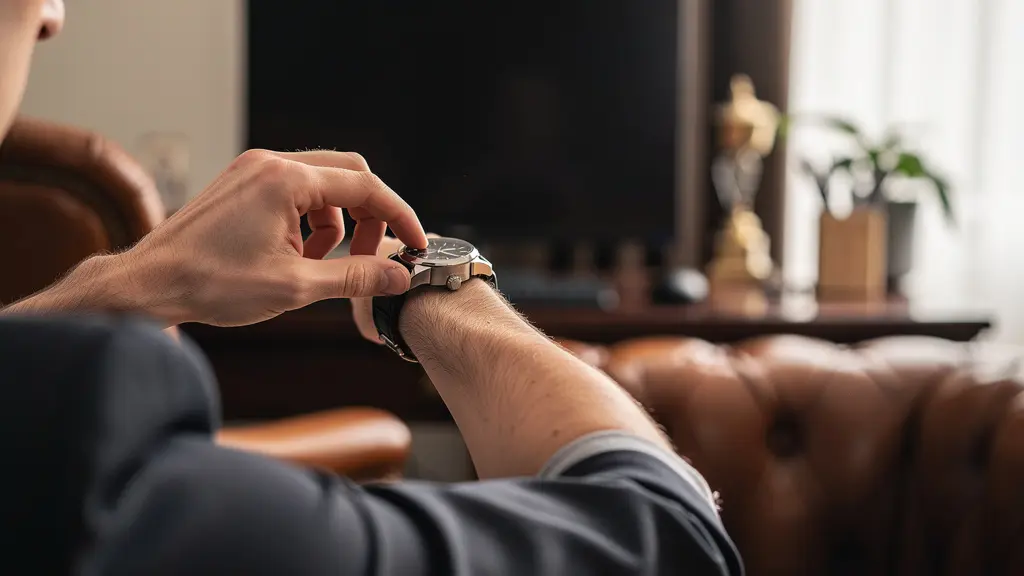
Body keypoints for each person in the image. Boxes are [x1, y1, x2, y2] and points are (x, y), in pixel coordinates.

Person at [0, 2, 742, 575]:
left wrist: (113, 284)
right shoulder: (84, 443)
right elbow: (662, 538)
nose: (56, 13)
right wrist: (435, 283)